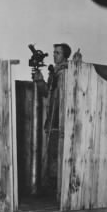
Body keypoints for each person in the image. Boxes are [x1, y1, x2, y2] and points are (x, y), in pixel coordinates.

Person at [32, 43, 73, 195]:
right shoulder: (54, 73)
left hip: (62, 119)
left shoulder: (69, 71)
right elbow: (47, 94)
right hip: (52, 119)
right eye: (54, 52)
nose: (54, 55)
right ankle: (53, 188)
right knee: (52, 154)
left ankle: (59, 190)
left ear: (65, 56)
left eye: (58, 53)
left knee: (59, 155)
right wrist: (40, 80)